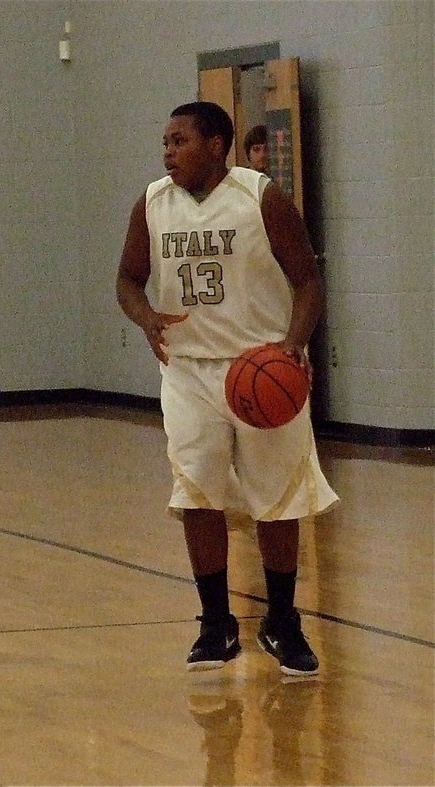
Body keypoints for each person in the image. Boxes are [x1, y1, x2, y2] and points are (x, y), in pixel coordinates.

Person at [116, 101, 338, 677]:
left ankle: (282, 621)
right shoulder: (151, 203)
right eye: (164, 141)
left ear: (217, 145)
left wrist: (292, 343)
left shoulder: (260, 197)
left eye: (179, 140)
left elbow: (307, 278)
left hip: (263, 364)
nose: (167, 151)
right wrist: (144, 317)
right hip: (188, 371)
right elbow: (127, 279)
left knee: (278, 498)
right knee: (197, 495)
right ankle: (215, 624)